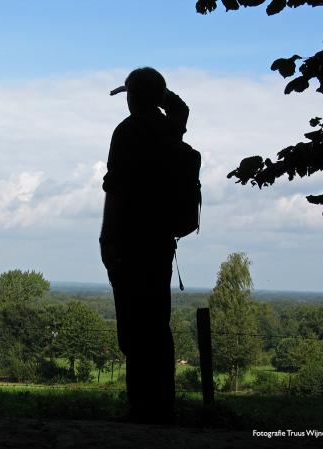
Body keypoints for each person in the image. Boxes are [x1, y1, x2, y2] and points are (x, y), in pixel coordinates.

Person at [100, 67, 189, 424]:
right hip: (161, 240)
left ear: (132, 96)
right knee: (157, 322)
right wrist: (161, 94)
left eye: (129, 94)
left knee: (134, 326)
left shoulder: (128, 130)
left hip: (130, 239)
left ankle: (140, 407)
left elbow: (115, 188)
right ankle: (163, 405)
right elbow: (181, 109)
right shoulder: (169, 128)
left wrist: (107, 237)